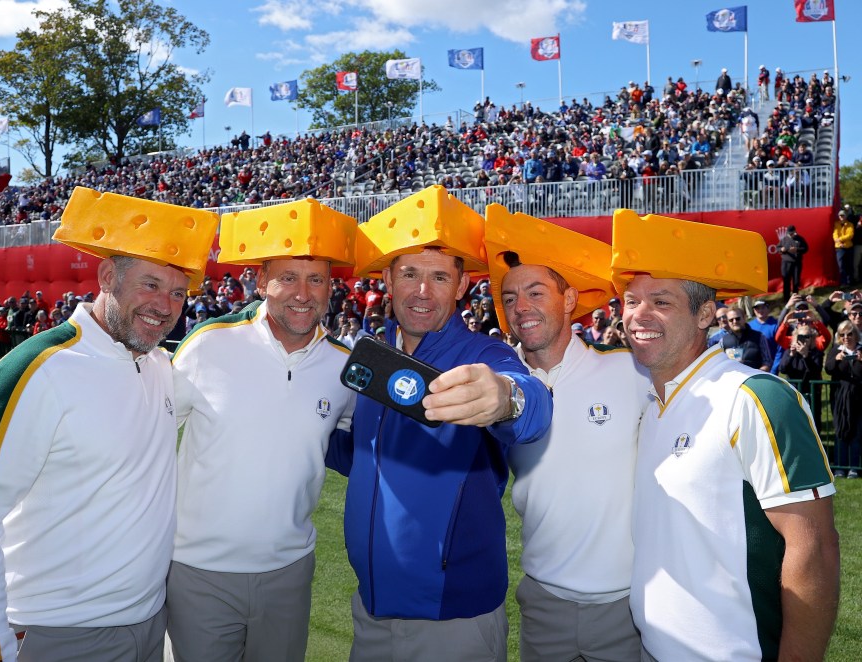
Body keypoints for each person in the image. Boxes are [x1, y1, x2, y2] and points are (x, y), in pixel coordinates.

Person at [0, 187, 218, 662]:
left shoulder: (161, 368)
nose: (166, 306)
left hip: (149, 625)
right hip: (58, 632)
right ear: (108, 275)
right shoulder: (36, 370)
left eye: (177, 292)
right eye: (150, 285)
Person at [326, 187, 553, 662]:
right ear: (388, 278)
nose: (422, 291)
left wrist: (505, 399)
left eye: (439, 277)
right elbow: (366, 455)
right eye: (409, 273)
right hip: (371, 609)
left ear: (462, 286)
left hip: (452, 619)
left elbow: (528, 406)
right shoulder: (373, 356)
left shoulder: (482, 354)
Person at [612, 208, 839, 661]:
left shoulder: (755, 397)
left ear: (705, 314)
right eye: (631, 300)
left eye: (661, 301)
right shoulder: (649, 399)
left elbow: (814, 549)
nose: (639, 314)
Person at [167, 200, 359, 662]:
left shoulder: (343, 365)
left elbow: (359, 446)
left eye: (315, 279)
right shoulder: (207, 344)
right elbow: (145, 433)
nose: (302, 293)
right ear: (259, 281)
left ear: (331, 288)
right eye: (287, 277)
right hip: (199, 572)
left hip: (288, 572)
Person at [484, 205, 649, 661]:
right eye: (511, 297)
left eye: (535, 292)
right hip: (542, 605)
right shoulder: (496, 386)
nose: (521, 307)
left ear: (570, 299)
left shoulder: (629, 372)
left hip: (627, 607)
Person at [825, 320, 862, 479]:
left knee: (857, 433)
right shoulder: (835, 350)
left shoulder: (861, 350)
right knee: (840, 431)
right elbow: (828, 368)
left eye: (849, 334)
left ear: (856, 334)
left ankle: (853, 467)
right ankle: (840, 467)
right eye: (842, 335)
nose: (846, 337)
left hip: (859, 398)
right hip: (840, 398)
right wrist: (837, 359)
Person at [719, 306, 771, 370]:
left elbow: (767, 362)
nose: (735, 322)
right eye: (731, 320)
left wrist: (759, 373)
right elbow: (720, 364)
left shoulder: (759, 337)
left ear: (744, 318)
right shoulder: (723, 341)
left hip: (755, 377)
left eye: (737, 318)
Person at [777, 224, 809, 301]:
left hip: (796, 263)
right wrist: (782, 250)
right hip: (786, 263)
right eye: (788, 233)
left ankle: (795, 297)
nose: (790, 235)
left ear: (795, 232)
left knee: (796, 281)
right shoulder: (784, 239)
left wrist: (797, 249)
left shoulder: (800, 239)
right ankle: (786, 298)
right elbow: (777, 248)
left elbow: (806, 248)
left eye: (791, 233)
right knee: (786, 281)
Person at [833, 208, 855, 287]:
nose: (841, 217)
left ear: (845, 216)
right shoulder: (836, 224)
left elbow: (850, 235)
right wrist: (838, 242)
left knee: (849, 265)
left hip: (848, 247)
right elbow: (835, 234)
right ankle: (843, 282)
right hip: (839, 248)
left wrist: (840, 239)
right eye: (840, 216)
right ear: (838, 216)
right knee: (841, 266)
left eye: (843, 215)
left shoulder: (850, 224)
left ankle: (850, 282)